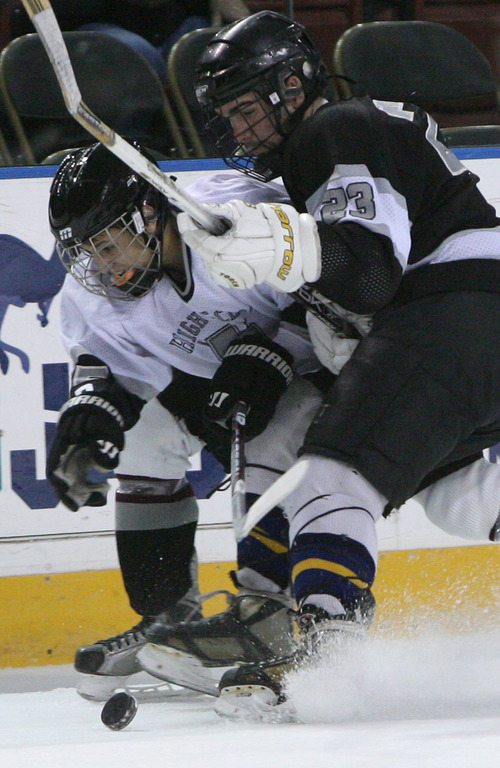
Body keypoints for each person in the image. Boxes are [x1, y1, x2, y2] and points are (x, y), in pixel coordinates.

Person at [170, 10, 500, 716]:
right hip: (474, 323)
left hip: (456, 314)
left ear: (294, 86)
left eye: (248, 110)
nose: (240, 131)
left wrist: (290, 248)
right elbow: (353, 290)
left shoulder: (333, 129)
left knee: (331, 475)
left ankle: (327, 662)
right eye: (228, 116)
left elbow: (372, 275)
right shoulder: (342, 136)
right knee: (459, 495)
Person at [46, 141, 328, 700]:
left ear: (149, 213)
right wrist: (90, 417)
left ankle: (270, 619)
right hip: (224, 389)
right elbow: (109, 369)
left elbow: (333, 274)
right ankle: (167, 619)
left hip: (335, 382)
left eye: (107, 244)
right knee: (141, 439)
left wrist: (276, 354)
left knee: (456, 494)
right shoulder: (103, 289)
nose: (101, 265)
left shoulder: (233, 218)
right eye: (87, 251)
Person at [13, 0, 250, 83]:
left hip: (171, 28)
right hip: (93, 28)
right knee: (137, 55)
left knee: (209, 42)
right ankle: (133, 140)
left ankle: (212, 141)